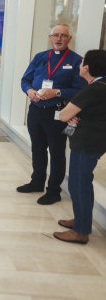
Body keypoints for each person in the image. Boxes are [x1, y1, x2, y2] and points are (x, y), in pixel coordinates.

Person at [19, 24, 85, 205]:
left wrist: (57, 92)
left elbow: (80, 90)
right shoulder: (40, 57)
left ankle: (54, 190)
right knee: (37, 148)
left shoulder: (76, 61)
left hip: (58, 113)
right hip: (35, 111)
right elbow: (25, 80)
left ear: (69, 39)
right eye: (55, 35)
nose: (58, 39)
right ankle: (37, 182)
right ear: (49, 37)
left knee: (56, 152)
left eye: (63, 36)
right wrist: (30, 91)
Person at [54, 50, 106, 245]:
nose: (80, 64)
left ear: (87, 67)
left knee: (79, 184)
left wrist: (70, 114)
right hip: (94, 141)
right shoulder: (101, 86)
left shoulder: (93, 89)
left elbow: (64, 115)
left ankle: (81, 231)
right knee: (81, 182)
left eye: (82, 61)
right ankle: (81, 220)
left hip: (87, 142)